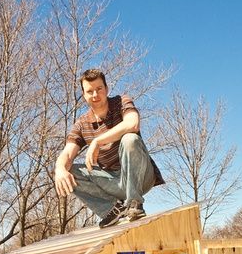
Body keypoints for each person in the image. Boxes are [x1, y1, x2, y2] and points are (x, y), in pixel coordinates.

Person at [54, 68, 164, 228]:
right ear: (84, 95)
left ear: (106, 88)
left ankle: (135, 204)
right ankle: (112, 210)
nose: (95, 95)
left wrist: (97, 141)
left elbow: (132, 123)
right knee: (67, 170)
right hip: (113, 182)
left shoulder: (121, 102)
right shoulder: (82, 124)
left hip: (141, 178)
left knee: (130, 139)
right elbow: (68, 153)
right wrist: (59, 169)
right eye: (89, 91)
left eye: (99, 89)